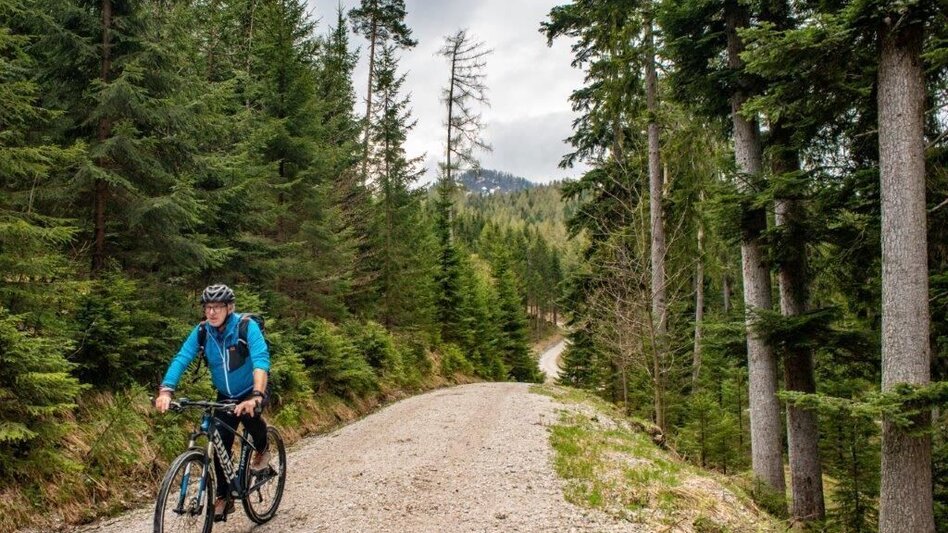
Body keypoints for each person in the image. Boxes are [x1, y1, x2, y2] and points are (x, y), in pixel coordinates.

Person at [155, 283, 271, 521]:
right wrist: (166, 390)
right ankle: (223, 496)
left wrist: (256, 396)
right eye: (208, 307)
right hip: (225, 396)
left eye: (218, 307)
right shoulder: (201, 331)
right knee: (220, 445)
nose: (212, 312)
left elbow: (260, 361)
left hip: (251, 389)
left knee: (251, 417)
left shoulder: (245, 328)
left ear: (230, 308)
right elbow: (182, 358)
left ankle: (263, 449)